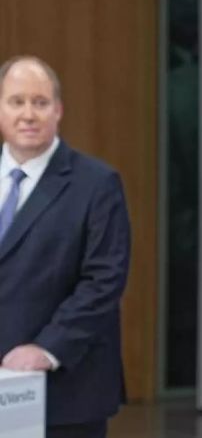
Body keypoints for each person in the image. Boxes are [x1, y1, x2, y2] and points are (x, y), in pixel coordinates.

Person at [0, 55, 130, 438]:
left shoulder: (97, 184)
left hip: (64, 394)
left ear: (58, 110)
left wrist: (46, 349)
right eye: (16, 101)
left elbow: (104, 281)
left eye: (39, 103)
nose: (28, 114)